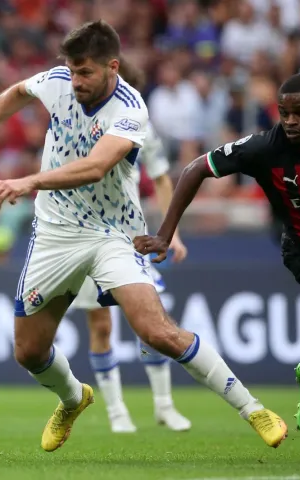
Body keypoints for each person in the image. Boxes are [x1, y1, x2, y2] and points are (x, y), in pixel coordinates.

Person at [0, 20, 287, 452]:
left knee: (156, 331)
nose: (75, 82)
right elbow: (19, 91)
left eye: (85, 73)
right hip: (55, 233)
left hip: (114, 234)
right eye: (71, 71)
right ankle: (73, 398)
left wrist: (29, 181)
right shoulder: (57, 82)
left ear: (112, 67)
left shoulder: (131, 110)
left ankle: (253, 408)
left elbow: (95, 166)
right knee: (29, 352)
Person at [134, 73, 300, 439]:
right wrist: (166, 235)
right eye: (284, 113)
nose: (290, 121)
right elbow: (195, 168)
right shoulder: (265, 148)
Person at [71, 59, 191, 434]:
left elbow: (161, 178)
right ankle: (117, 410)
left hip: (129, 239)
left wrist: (175, 233)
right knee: (101, 326)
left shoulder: (141, 127)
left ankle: (163, 405)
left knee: (152, 322)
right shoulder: (77, 121)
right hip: (86, 237)